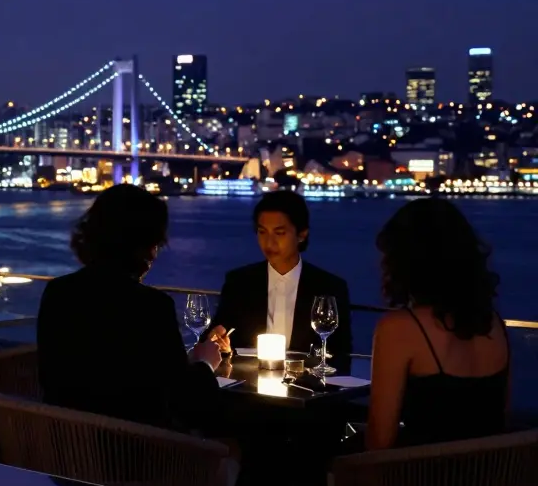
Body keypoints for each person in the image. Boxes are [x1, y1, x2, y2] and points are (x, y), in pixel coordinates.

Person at [37, 184, 221, 430]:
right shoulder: (152, 307)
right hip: (138, 460)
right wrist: (205, 364)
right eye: (155, 242)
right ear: (144, 244)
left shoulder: (57, 293)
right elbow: (186, 403)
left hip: (66, 452)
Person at [366, 199, 509, 450]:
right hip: (489, 483)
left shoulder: (399, 328)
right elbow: (501, 420)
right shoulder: (494, 324)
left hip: (423, 482)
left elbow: (379, 441)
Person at [209, 190, 353, 374]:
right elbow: (215, 337)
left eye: (279, 233)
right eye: (262, 232)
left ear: (301, 234)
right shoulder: (240, 282)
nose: (269, 242)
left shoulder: (329, 287)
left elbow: (342, 356)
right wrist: (219, 342)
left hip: (307, 392)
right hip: (248, 388)